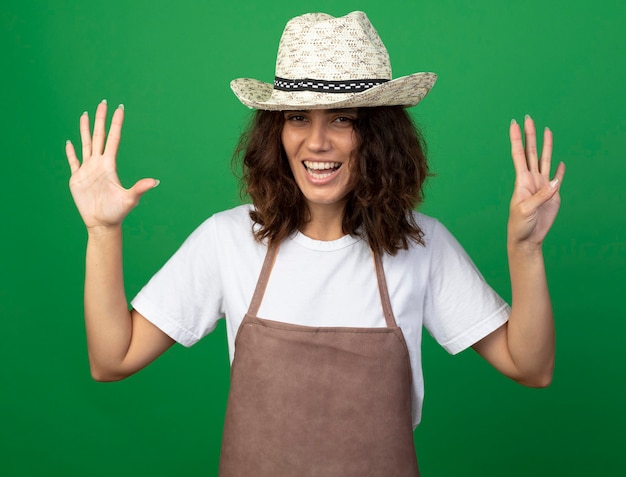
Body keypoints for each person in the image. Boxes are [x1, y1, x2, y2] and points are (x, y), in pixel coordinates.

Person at [65, 11, 565, 476]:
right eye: (298, 117)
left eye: (342, 119)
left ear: (379, 135)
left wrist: (526, 251)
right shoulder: (228, 239)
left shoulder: (424, 245)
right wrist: (102, 232)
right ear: (275, 132)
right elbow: (112, 359)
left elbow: (530, 366)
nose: (317, 141)